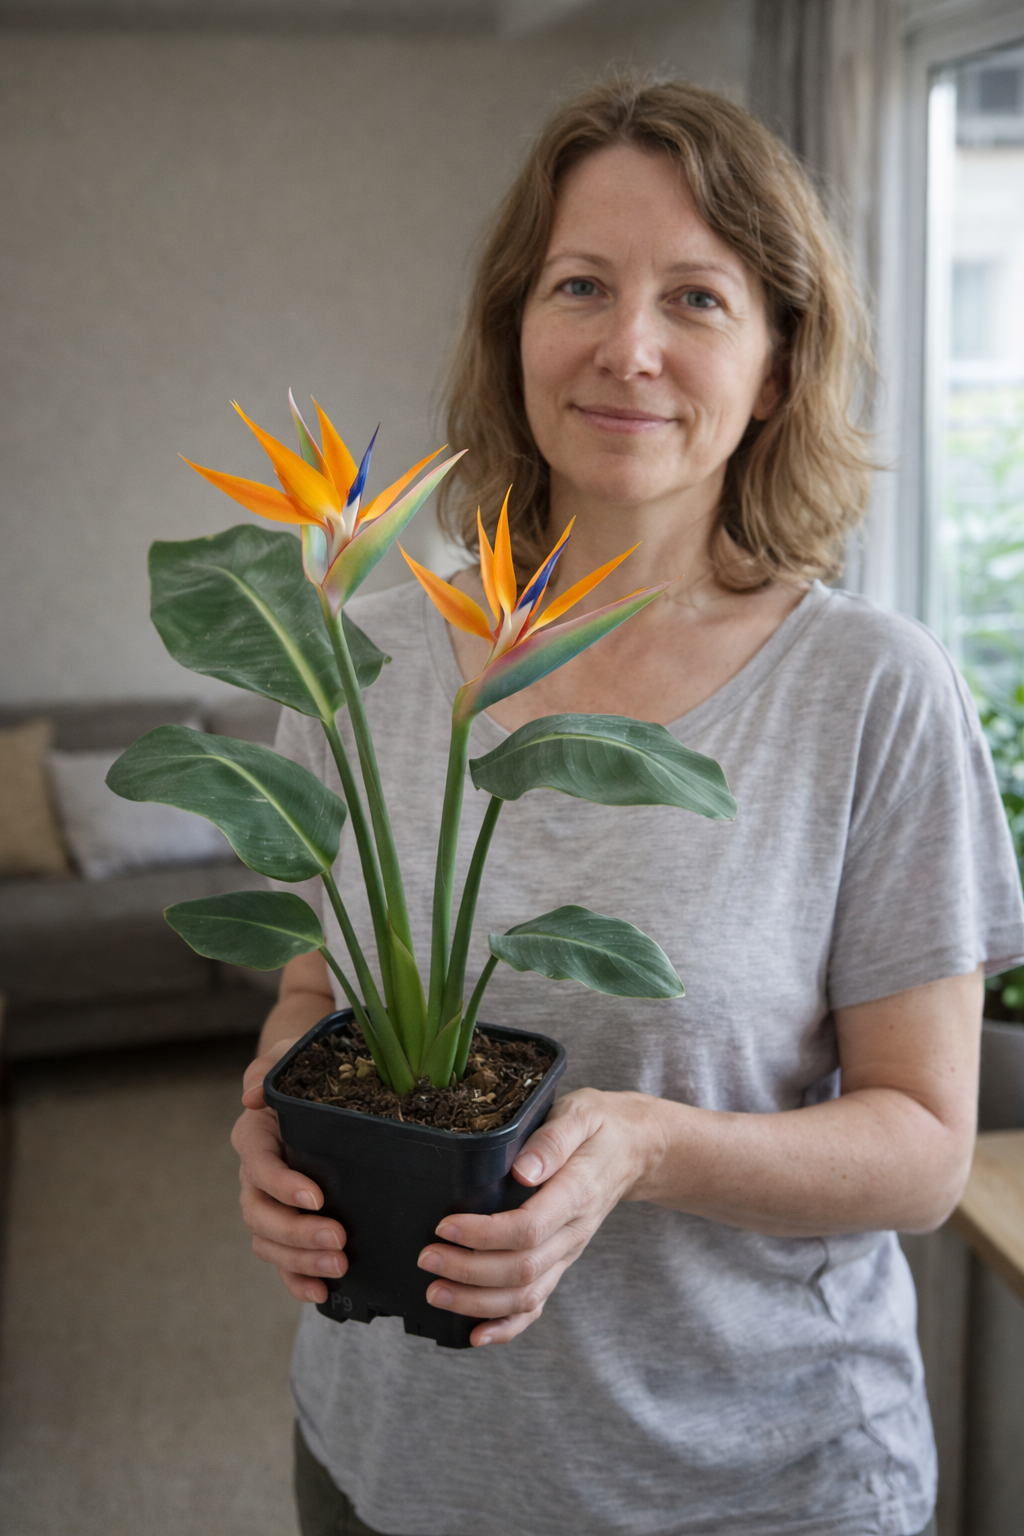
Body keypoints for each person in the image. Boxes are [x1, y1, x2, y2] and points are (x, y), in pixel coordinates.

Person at [231, 76, 1024, 1536]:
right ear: (514, 331)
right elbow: (311, 990)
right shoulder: (356, 657)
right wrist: (272, 1123)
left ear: (776, 368)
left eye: (698, 300)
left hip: (750, 1485)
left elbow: (922, 1149)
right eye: (580, 286)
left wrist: (651, 1147)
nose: (628, 348)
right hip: (385, 1462)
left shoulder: (871, 692)